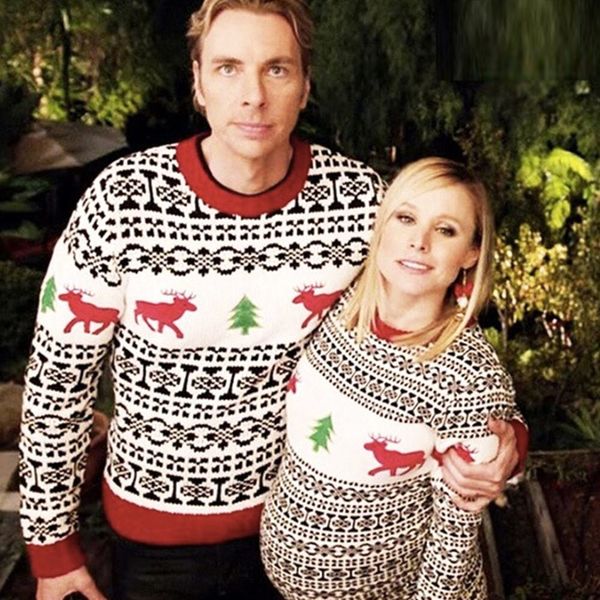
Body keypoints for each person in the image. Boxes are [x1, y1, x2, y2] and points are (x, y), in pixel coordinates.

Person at [19, 2, 525, 599]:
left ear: (305, 86)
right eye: (228, 68)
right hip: (158, 552)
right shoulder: (121, 201)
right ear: (198, 83)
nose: (254, 96)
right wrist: (51, 549)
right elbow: (58, 379)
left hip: (310, 542)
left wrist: (506, 442)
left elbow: (435, 321)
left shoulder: (362, 203)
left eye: (277, 69)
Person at [260, 157, 526, 599]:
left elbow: (453, 548)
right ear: (382, 224)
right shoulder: (340, 309)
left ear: (471, 253)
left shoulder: (468, 376)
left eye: (446, 230)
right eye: (406, 218)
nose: (419, 242)